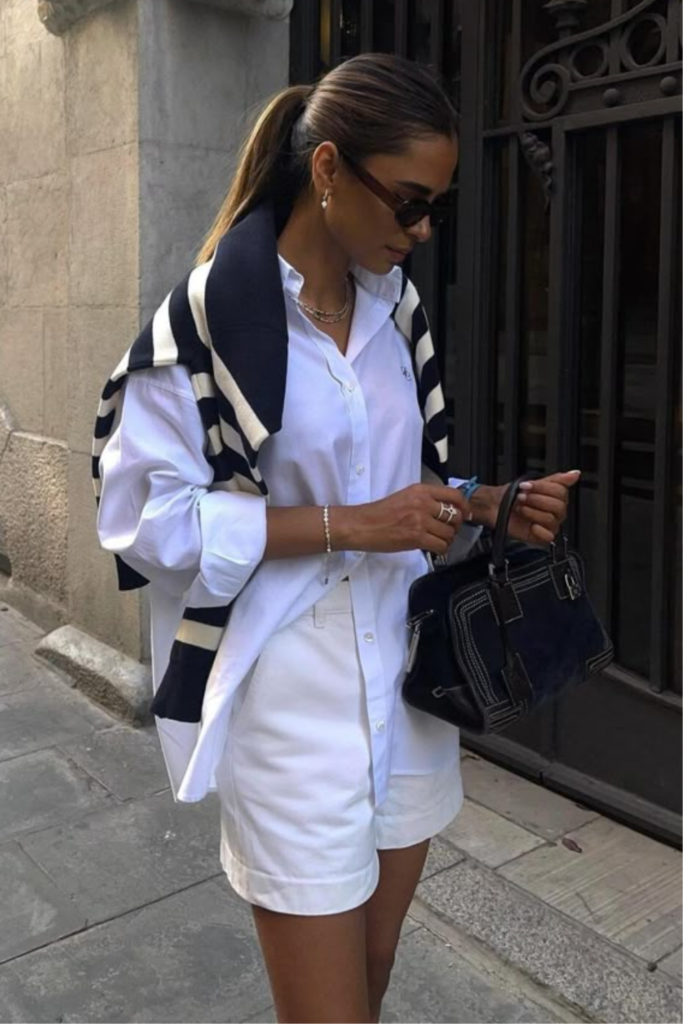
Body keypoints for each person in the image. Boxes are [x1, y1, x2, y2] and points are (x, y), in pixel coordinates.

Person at [94, 53, 579, 1024]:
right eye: (409, 202)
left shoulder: (398, 316)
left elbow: (405, 485)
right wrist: (347, 526)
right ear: (326, 169)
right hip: (289, 697)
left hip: (407, 687)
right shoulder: (206, 321)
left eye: (434, 206)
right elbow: (141, 520)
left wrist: (482, 503)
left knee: (375, 964)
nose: (423, 229)